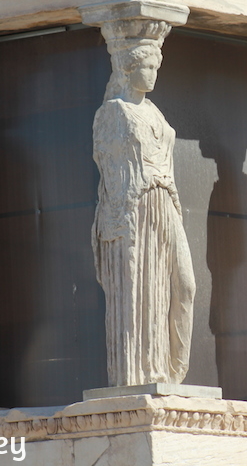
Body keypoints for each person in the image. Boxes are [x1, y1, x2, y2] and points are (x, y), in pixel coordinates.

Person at [92, 41, 195, 386]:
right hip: (134, 208)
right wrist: (120, 220)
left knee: (184, 284)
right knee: (139, 288)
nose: (152, 74)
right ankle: (141, 373)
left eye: (155, 68)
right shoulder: (112, 112)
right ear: (127, 68)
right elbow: (107, 167)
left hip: (165, 202)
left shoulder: (154, 112)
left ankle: (174, 372)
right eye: (146, 67)